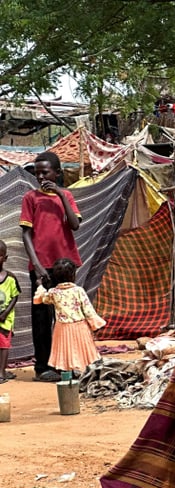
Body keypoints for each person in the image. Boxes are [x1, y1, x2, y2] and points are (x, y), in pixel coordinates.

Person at [20, 151, 82, 382]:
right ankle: (43, 366)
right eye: (37, 173)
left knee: (68, 316)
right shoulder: (31, 198)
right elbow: (26, 234)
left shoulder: (66, 196)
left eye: (45, 172)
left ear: (57, 173)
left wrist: (60, 195)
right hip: (41, 266)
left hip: (66, 266)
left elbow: (74, 225)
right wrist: (36, 265)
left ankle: (68, 363)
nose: (41, 177)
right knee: (42, 318)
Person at [32, 258, 105, 377]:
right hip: (79, 327)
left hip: (62, 329)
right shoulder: (78, 291)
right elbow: (88, 310)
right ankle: (83, 373)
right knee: (82, 350)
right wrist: (95, 324)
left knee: (65, 350)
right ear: (73, 275)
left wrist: (40, 285)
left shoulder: (53, 292)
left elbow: (42, 298)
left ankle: (67, 374)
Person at [0, 240, 21, 383]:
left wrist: (5, 313)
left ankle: (1, 372)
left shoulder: (11, 278)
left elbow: (15, 296)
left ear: (5, 258)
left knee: (4, 346)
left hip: (5, 320)